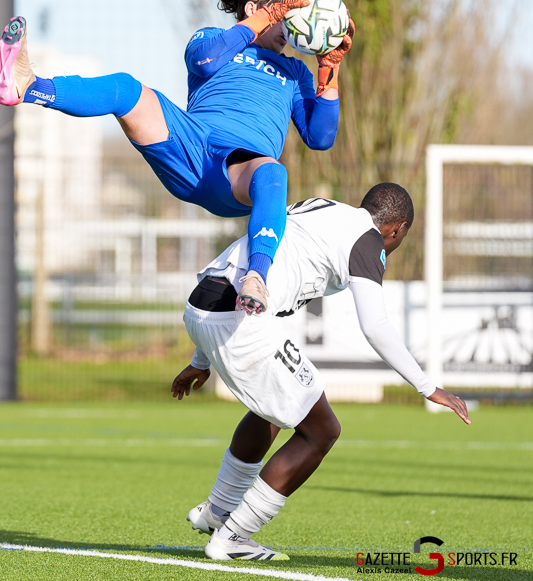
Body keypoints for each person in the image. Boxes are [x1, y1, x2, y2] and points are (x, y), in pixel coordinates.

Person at [0, 0, 353, 316]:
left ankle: (256, 276)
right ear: (254, 9)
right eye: (283, 12)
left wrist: (330, 67)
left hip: (237, 174)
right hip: (189, 145)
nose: (289, 22)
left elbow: (320, 137)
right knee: (127, 89)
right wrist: (262, 21)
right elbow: (205, 61)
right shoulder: (212, 39)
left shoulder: (296, 71)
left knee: (273, 172)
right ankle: (29, 86)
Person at [168, 183, 470, 561]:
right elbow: (375, 326)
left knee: (277, 407)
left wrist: (200, 360)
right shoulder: (368, 239)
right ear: (397, 230)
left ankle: (217, 511)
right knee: (322, 430)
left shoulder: (322, 209)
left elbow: (244, 270)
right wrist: (428, 387)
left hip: (202, 303)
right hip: (236, 317)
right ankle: (232, 537)